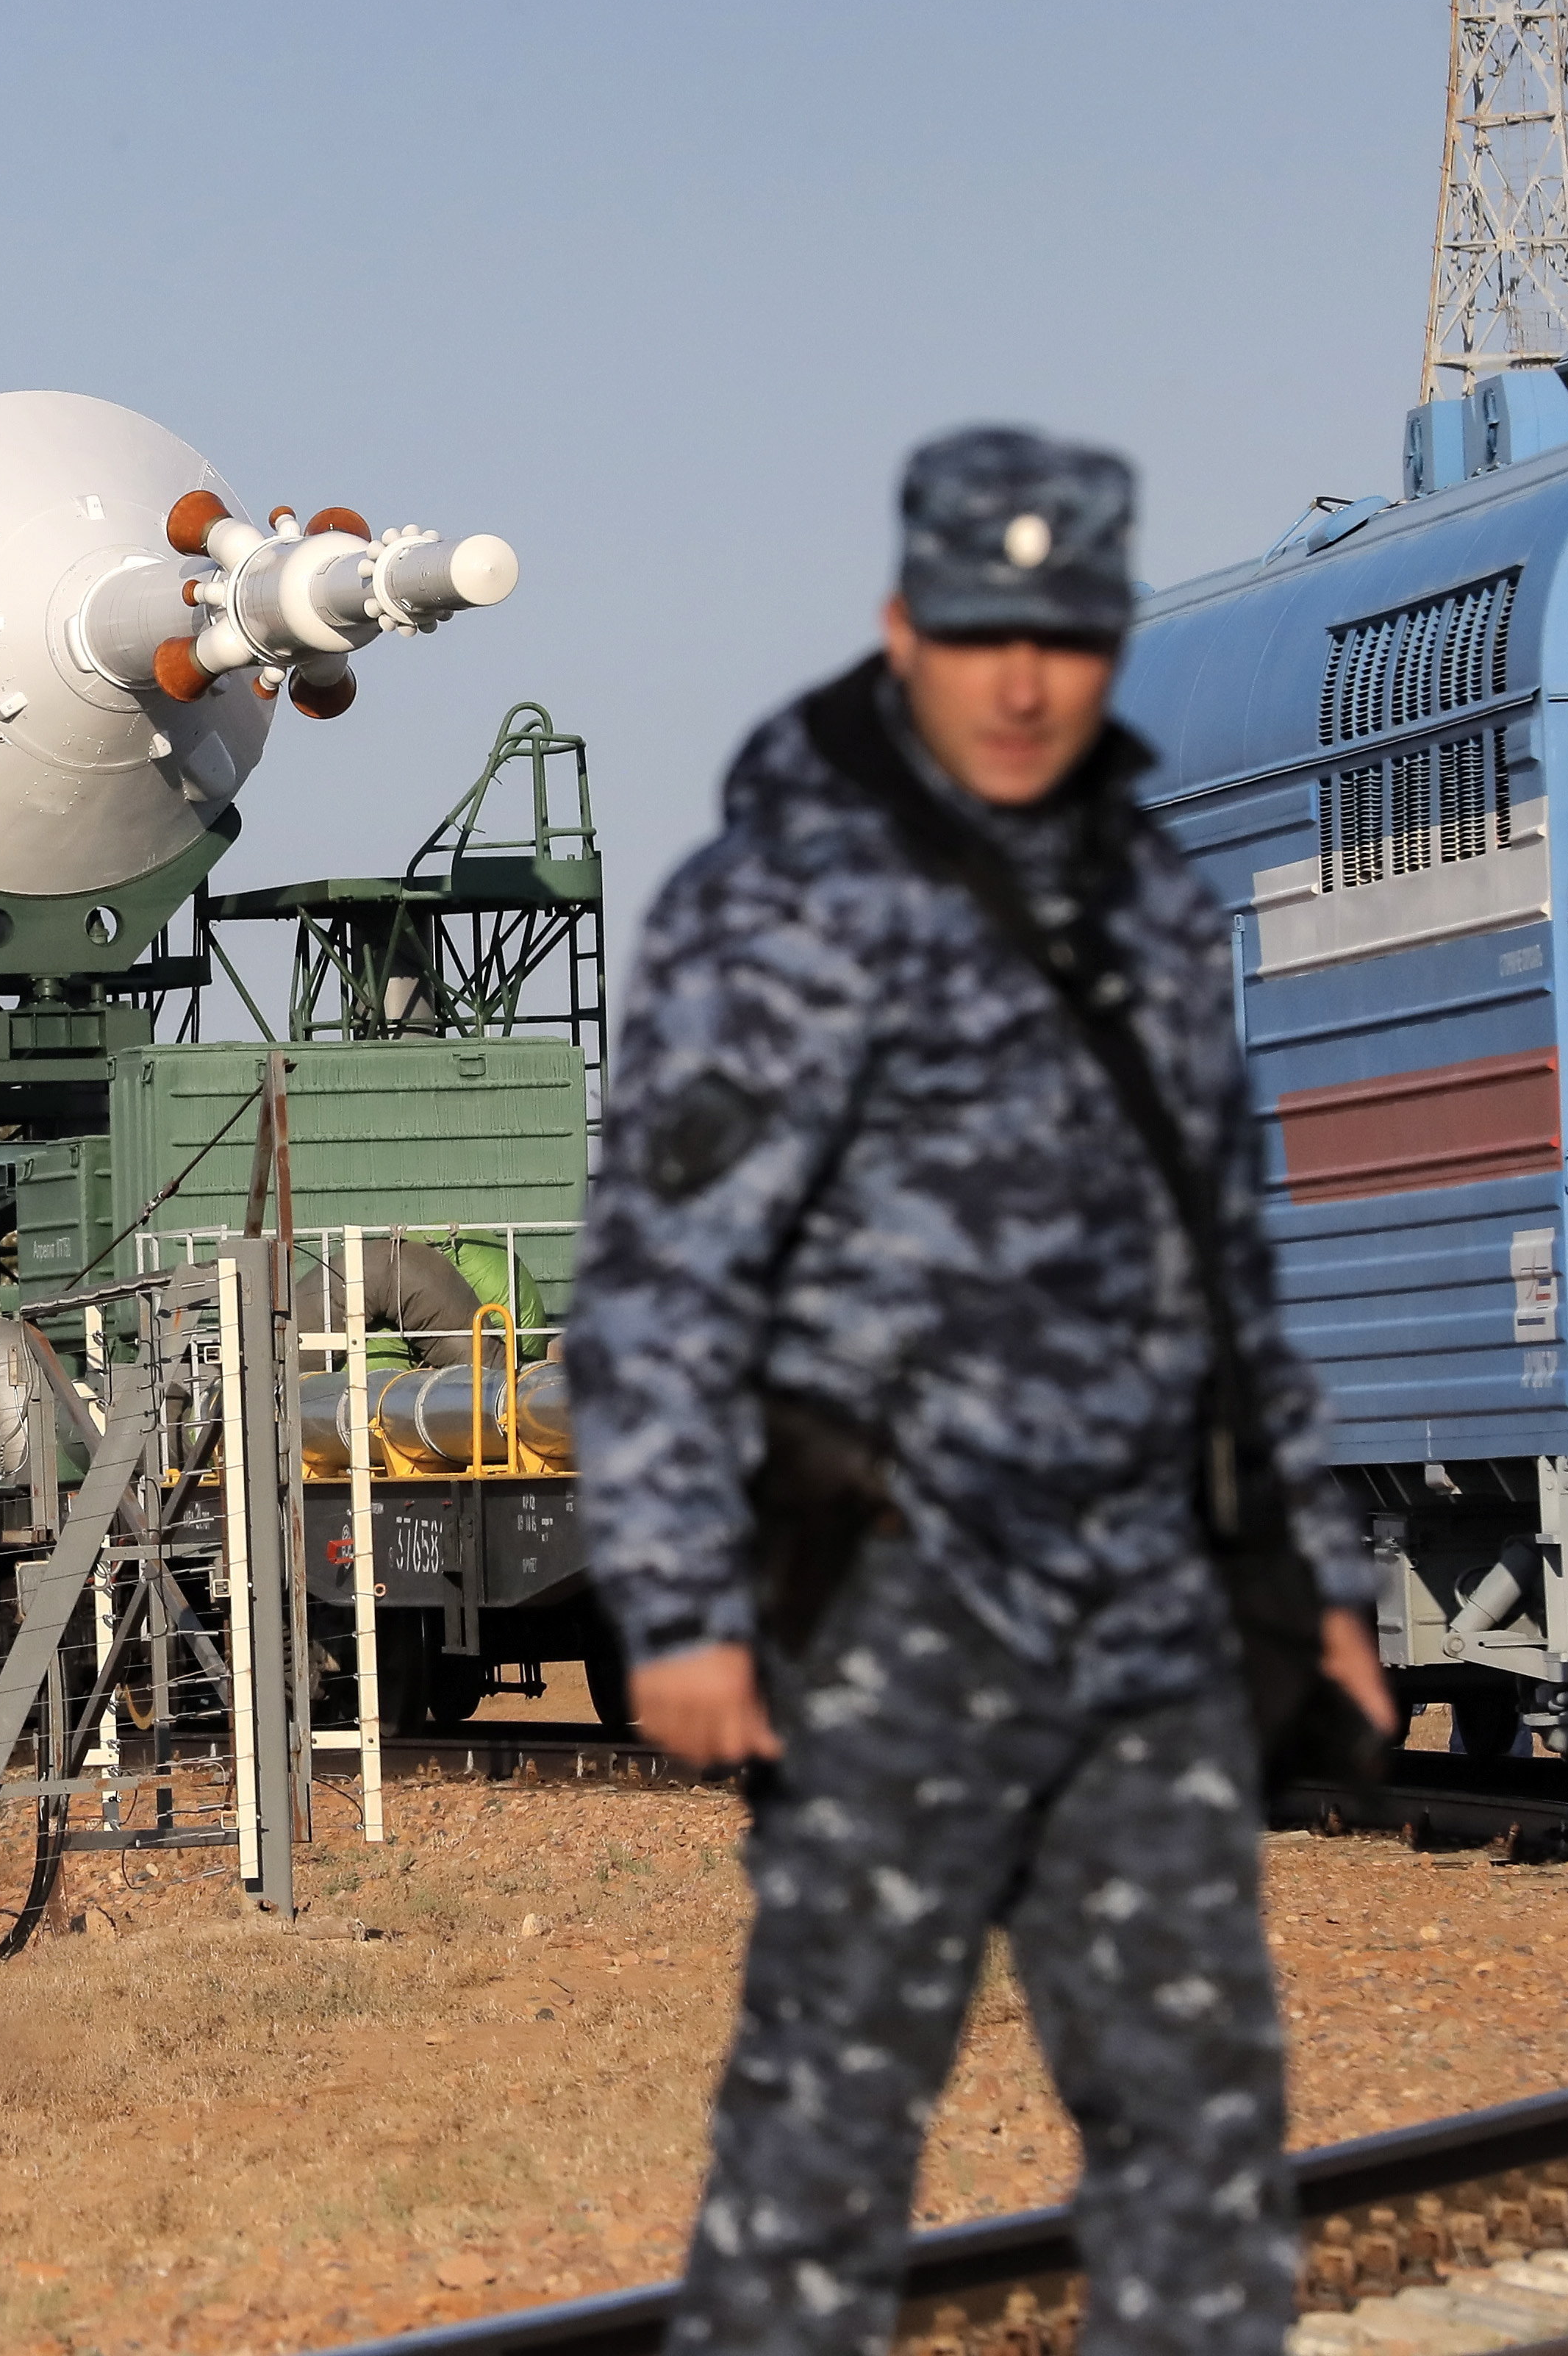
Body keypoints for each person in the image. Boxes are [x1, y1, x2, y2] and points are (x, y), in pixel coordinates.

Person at [565, 425, 1396, 2355]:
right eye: (980, 632)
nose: (1024, 685)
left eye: (1066, 636)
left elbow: (1229, 1276)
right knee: (826, 2150)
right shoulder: (781, 909)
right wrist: (681, 1607)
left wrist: (1320, 1577)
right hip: (892, 1617)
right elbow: (662, 1284)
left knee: (1202, 2145)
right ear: (900, 629)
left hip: (1149, 1619)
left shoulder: (1156, 914)